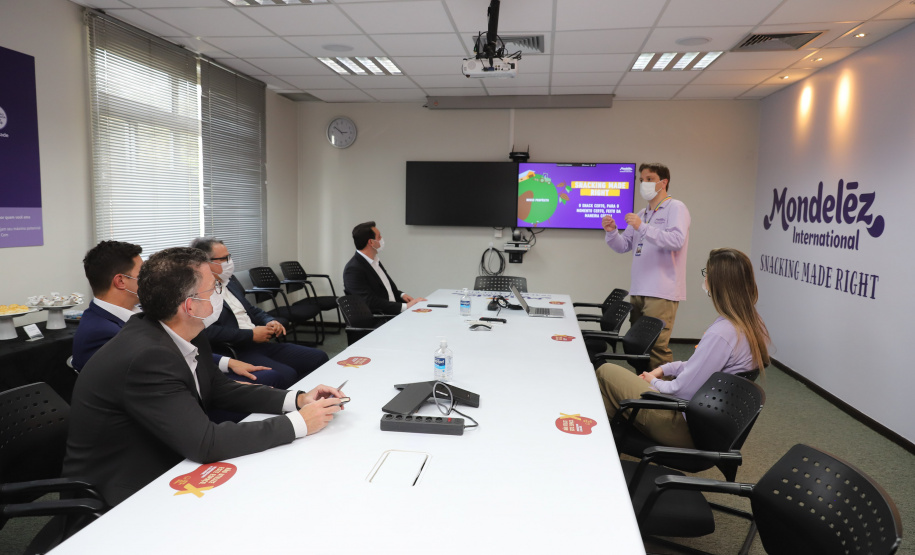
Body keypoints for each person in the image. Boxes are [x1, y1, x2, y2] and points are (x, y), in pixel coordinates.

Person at [64, 247, 345, 506]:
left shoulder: (184, 330)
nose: (220, 292)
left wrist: (297, 400)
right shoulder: (147, 356)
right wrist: (299, 423)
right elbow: (205, 443)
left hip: (169, 454)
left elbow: (218, 387)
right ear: (190, 306)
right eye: (214, 288)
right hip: (123, 489)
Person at [596, 247, 770, 448]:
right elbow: (702, 367)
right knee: (609, 397)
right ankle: (607, 444)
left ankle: (602, 443)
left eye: (706, 273)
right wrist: (665, 369)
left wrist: (654, 381)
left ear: (719, 283)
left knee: (605, 371)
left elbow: (680, 390)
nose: (705, 279)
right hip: (710, 424)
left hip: (683, 425)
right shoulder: (752, 324)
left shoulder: (722, 333)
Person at [71, 240, 271, 384]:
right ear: (121, 281)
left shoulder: (138, 311)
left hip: (188, 381)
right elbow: (148, 383)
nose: (149, 278)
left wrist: (227, 363)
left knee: (267, 378)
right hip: (166, 402)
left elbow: (180, 350)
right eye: (142, 273)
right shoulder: (100, 332)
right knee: (266, 379)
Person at [190, 237, 329, 389]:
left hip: (261, 343)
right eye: (224, 259)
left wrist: (269, 320)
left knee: (318, 357)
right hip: (237, 350)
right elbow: (207, 332)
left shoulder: (230, 281)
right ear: (205, 263)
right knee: (287, 374)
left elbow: (252, 309)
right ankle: (296, 400)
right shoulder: (196, 293)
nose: (230, 262)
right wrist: (251, 335)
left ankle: (309, 395)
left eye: (229, 257)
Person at [602, 162, 690, 370]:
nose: (644, 184)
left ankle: (663, 388)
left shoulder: (675, 207)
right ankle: (642, 385)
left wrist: (642, 228)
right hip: (639, 289)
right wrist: (612, 231)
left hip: (661, 290)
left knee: (656, 347)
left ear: (663, 182)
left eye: (650, 179)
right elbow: (624, 246)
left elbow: (676, 241)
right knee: (637, 346)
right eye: (642, 180)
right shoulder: (642, 214)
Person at [343, 221, 426, 315]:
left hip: (392, 311)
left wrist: (401, 295)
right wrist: (405, 307)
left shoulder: (374, 261)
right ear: (371, 242)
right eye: (379, 237)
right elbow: (369, 301)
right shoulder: (353, 269)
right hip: (380, 317)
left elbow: (385, 288)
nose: (381, 239)